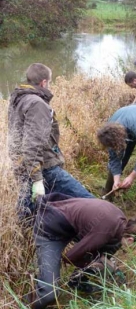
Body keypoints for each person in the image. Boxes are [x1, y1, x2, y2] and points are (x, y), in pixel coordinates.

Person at [25, 192, 136, 309]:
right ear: (130, 239)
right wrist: (99, 262)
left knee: (110, 248)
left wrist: (102, 259)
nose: (129, 251)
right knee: (49, 292)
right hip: (49, 229)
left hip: (67, 222)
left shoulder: (120, 220)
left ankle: (77, 281)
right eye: (133, 246)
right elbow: (69, 257)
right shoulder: (104, 232)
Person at [8, 63, 94, 223]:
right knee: (88, 202)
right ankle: (117, 231)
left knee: (29, 214)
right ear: (43, 83)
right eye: (50, 81)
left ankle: (29, 243)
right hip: (44, 167)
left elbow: (17, 136)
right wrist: (38, 179)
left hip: (22, 166)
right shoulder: (36, 103)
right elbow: (31, 143)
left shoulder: (18, 98)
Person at [97, 104, 136, 204]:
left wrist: (131, 176)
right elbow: (114, 158)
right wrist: (116, 178)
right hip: (126, 126)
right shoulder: (108, 132)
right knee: (121, 156)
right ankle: (109, 192)